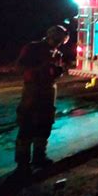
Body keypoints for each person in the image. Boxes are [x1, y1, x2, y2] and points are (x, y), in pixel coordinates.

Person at [14, 25, 69, 174]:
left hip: (49, 89)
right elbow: (19, 66)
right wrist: (40, 67)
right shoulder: (33, 48)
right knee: (27, 124)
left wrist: (59, 71)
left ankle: (39, 157)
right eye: (57, 41)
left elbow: (56, 71)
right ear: (51, 37)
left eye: (60, 42)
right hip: (33, 89)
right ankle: (22, 164)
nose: (58, 44)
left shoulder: (57, 53)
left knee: (45, 124)